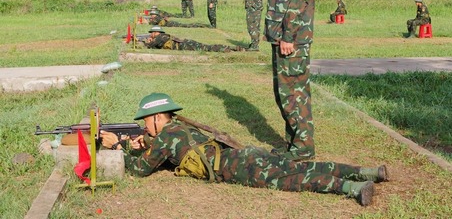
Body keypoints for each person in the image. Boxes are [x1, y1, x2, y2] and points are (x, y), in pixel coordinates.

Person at [100, 93, 388, 206]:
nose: (145, 127)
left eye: (145, 121)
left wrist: (118, 148)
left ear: (156, 117)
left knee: (292, 180)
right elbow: (170, 152)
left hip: (235, 167)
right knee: (300, 166)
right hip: (244, 154)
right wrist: (136, 143)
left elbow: (139, 170)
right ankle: (368, 171)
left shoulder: (165, 136)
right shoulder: (180, 128)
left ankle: (352, 188)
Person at [251, 0, 316, 161]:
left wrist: (289, 35)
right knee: (284, 93)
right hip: (282, 36)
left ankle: (303, 148)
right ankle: (293, 144)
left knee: (294, 92)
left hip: (293, 38)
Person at [144, 26, 244, 52]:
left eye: (151, 33)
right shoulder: (163, 36)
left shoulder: (159, 37)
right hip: (186, 43)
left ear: (155, 32)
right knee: (207, 47)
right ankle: (232, 48)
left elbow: (151, 46)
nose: (151, 35)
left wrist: (146, 42)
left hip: (184, 46)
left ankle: (224, 49)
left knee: (207, 48)